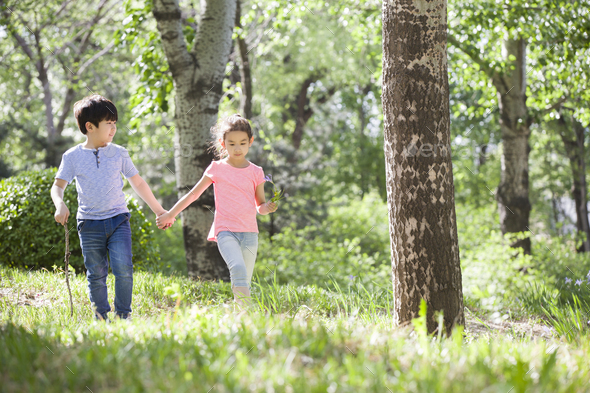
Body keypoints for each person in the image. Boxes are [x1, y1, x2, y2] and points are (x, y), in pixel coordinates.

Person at [51, 94, 173, 321]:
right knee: (96, 274)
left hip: (118, 220)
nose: (113, 128)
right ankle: (101, 317)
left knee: (123, 270)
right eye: (109, 123)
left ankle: (123, 317)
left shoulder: (119, 153)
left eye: (115, 123)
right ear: (90, 126)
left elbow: (138, 182)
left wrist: (159, 210)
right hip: (88, 224)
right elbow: (57, 187)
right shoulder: (72, 156)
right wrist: (60, 204)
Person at [156, 114, 278, 308]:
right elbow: (193, 194)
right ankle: (248, 312)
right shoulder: (217, 168)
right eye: (231, 144)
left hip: (250, 233)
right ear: (223, 143)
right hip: (225, 230)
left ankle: (241, 317)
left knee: (244, 279)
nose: (237, 148)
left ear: (250, 142)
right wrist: (171, 214)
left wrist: (268, 207)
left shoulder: (256, 171)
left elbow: (260, 207)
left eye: (242, 143)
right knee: (237, 268)